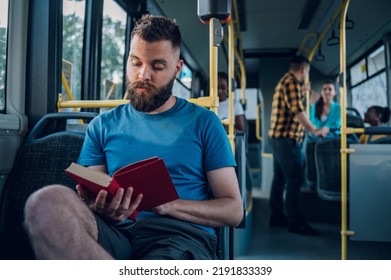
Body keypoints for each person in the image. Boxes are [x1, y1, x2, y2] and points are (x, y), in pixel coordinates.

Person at [23, 15, 243, 260]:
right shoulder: (102, 125)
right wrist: (103, 207)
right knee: (45, 203)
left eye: (157, 66)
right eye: (136, 62)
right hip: (116, 231)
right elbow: (92, 194)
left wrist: (171, 205)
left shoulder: (204, 122)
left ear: (177, 69)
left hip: (179, 236)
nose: (143, 75)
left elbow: (233, 210)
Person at [268, 55, 329, 236]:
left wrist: (306, 97)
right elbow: (298, 113)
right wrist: (315, 130)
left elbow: (294, 110)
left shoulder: (287, 82)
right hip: (286, 139)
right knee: (295, 179)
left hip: (279, 138)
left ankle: (277, 216)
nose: (307, 75)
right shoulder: (292, 83)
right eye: (308, 71)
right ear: (303, 69)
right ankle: (296, 222)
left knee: (279, 178)